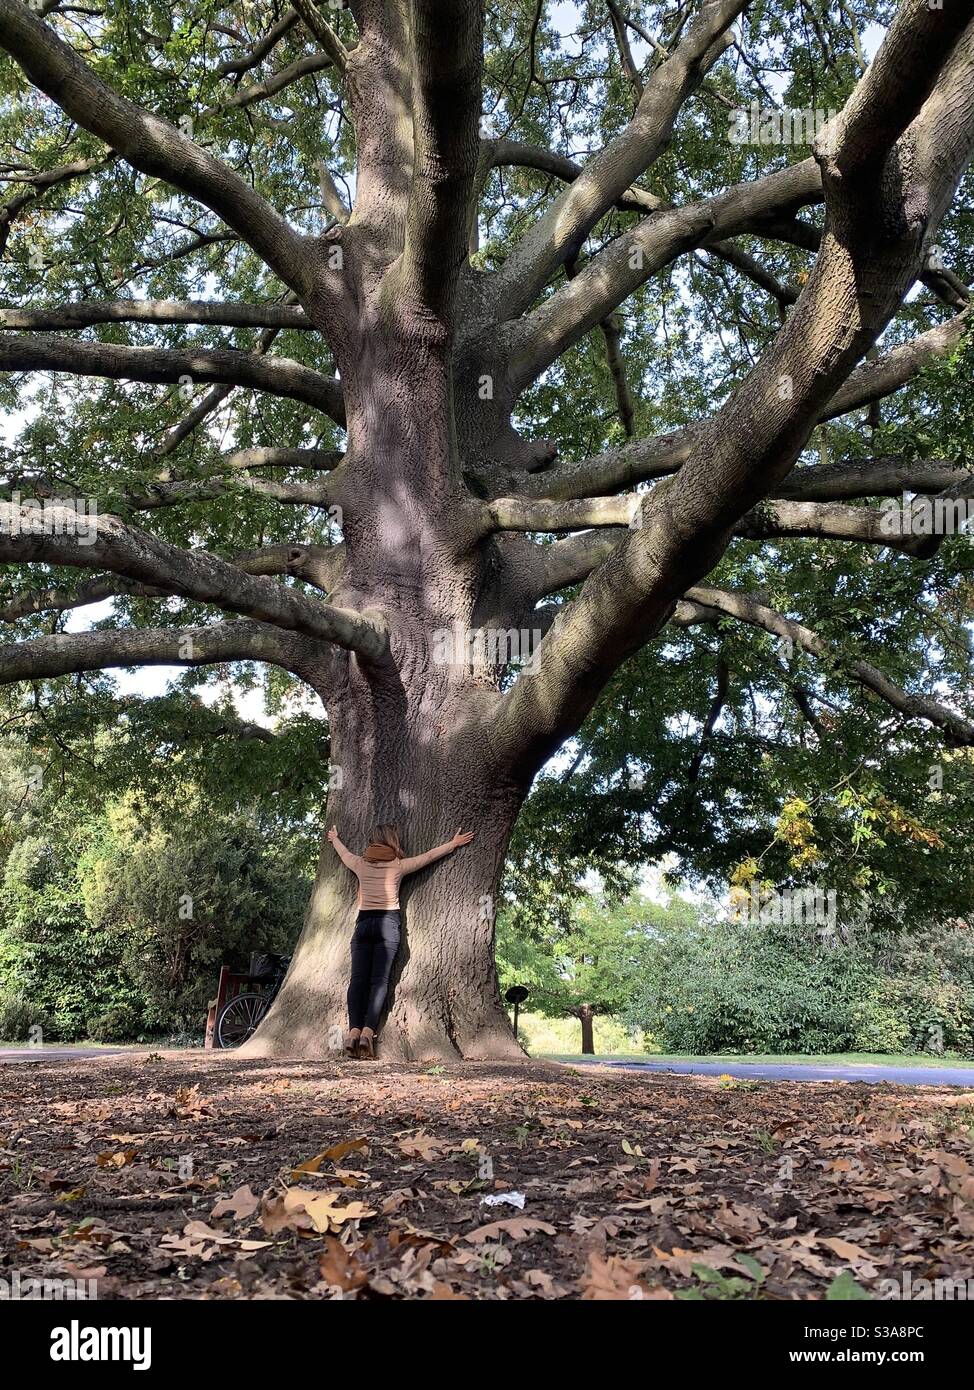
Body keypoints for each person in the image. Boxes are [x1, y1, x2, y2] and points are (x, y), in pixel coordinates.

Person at [328, 822, 475, 1058]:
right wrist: (453, 844)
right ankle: (368, 1032)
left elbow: (343, 853)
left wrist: (334, 837)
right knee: (379, 982)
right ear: (392, 841)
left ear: (373, 841)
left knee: (357, 980)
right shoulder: (398, 866)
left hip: (364, 924)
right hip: (388, 925)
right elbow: (428, 857)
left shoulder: (360, 863)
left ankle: (353, 1032)